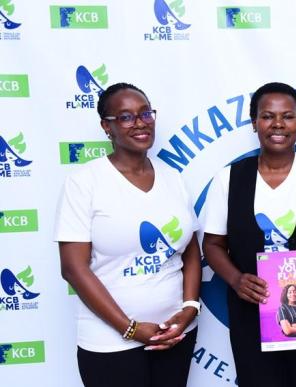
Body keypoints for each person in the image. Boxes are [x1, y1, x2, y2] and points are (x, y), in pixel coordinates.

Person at [201, 82, 296, 386]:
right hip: (252, 323)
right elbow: (213, 245)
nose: (278, 125)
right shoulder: (229, 179)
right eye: (268, 116)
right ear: (254, 122)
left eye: (288, 116)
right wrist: (235, 279)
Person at [54, 83, 201, 387]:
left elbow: (190, 253)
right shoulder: (84, 183)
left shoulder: (173, 179)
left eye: (145, 113)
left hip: (175, 335)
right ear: (106, 127)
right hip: (110, 343)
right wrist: (130, 329)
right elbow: (73, 268)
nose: (140, 122)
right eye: (125, 117)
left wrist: (189, 309)